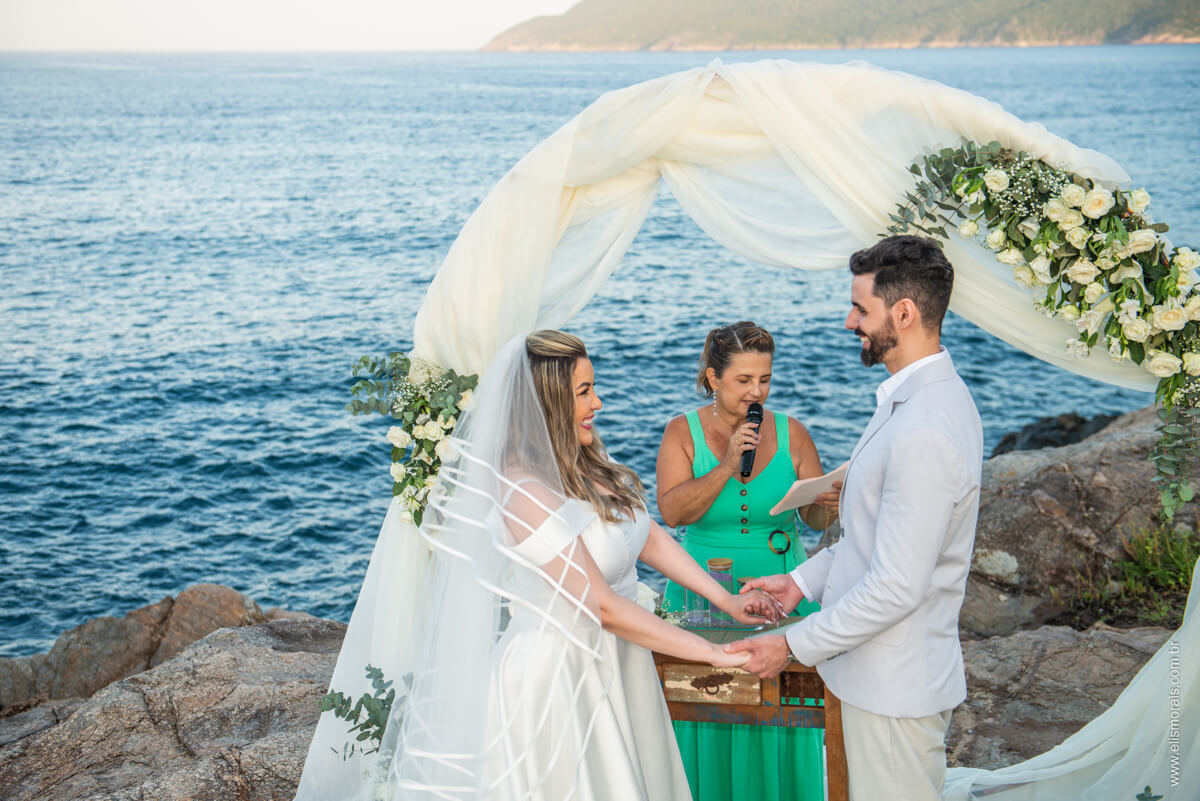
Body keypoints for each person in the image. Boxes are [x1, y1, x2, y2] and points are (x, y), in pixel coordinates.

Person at [296, 330, 778, 801]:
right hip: (561, 679)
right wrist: (712, 653)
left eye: (593, 387)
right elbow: (601, 607)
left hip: (620, 661)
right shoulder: (522, 490)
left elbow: (644, 534)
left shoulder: (585, 456)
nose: (598, 403)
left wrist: (727, 601)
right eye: (584, 392)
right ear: (547, 401)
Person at [730, 235, 983, 801]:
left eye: (861, 309)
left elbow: (895, 586)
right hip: (876, 680)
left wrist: (791, 645)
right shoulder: (913, 401)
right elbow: (874, 537)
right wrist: (800, 583)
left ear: (904, 313)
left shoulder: (924, 428)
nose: (850, 322)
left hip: (894, 691)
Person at [656, 321, 836, 801]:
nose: (757, 392)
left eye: (765, 379)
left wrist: (829, 504)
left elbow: (815, 519)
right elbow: (672, 513)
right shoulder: (682, 432)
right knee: (705, 710)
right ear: (713, 378)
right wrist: (727, 466)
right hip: (701, 594)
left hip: (781, 594)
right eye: (744, 380)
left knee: (782, 718)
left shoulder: (793, 434)